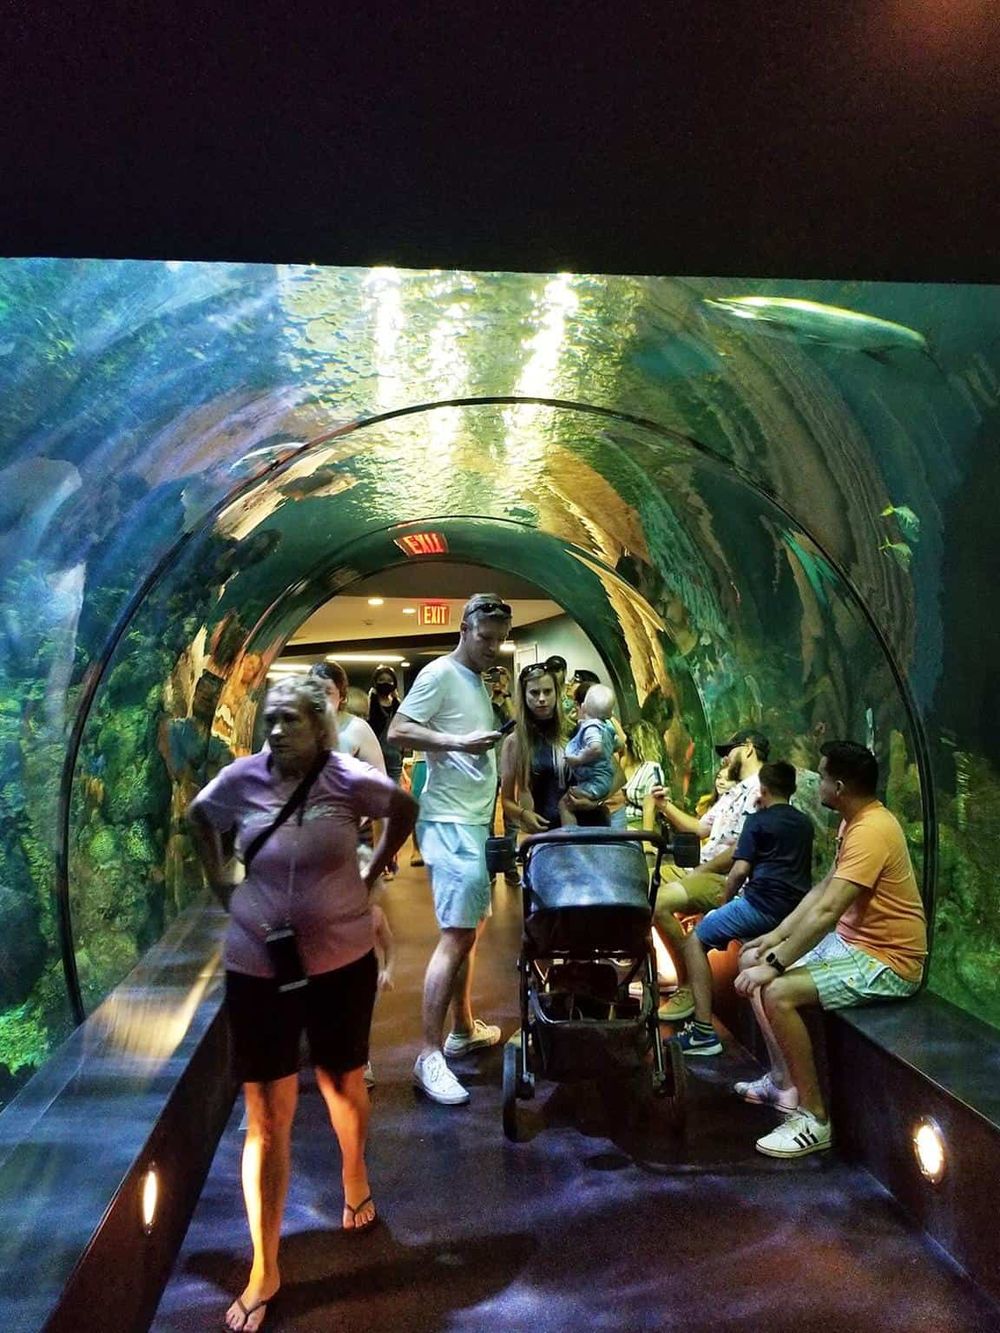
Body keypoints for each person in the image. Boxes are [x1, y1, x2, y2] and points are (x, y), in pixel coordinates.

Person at [187, 677, 417, 1332]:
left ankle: (353, 1172)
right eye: (271, 719)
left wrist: (371, 875)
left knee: (342, 1081)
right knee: (266, 1110)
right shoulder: (242, 778)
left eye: (290, 719)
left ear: (321, 725)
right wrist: (223, 882)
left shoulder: (347, 778)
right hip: (257, 963)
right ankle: (265, 1265)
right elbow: (200, 817)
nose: (277, 730)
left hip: (340, 961)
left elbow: (403, 807)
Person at [733, 741, 927, 1159]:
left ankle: (814, 1118)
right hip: (852, 941)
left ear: (838, 786)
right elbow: (824, 889)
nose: (816, 782)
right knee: (750, 958)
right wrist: (776, 937)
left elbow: (827, 909)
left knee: (777, 991)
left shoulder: (873, 830)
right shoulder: (852, 820)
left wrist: (778, 963)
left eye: (820, 776)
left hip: (888, 958)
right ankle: (782, 1081)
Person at [387, 592, 512, 1106]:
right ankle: (428, 1055)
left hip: (472, 822)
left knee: (470, 931)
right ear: (463, 628)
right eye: (485, 639)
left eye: (500, 641)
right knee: (456, 935)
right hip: (450, 823)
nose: (492, 648)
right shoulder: (440, 673)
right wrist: (459, 745)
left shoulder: (478, 682)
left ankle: (461, 1029)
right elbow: (397, 731)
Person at [674, 761, 814, 1057]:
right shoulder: (804, 823)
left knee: (695, 940)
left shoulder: (757, 821)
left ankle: (702, 1031)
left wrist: (722, 906)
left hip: (759, 906)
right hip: (794, 911)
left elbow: (738, 871)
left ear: (762, 789)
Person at [652, 728, 769, 1021]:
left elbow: (743, 849)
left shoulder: (760, 790)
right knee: (639, 882)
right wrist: (664, 806)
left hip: (726, 878)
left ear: (750, 749)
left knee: (658, 902)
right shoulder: (737, 791)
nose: (725, 758)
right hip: (702, 869)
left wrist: (699, 872)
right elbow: (701, 828)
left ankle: (688, 984)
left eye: (730, 750)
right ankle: (658, 969)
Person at [500, 662, 573, 833]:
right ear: (524, 696)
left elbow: (617, 778)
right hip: (540, 832)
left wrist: (594, 799)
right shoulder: (514, 742)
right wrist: (524, 814)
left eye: (547, 692)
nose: (541, 699)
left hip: (579, 828)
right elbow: (507, 800)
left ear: (557, 693)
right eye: (534, 692)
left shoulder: (575, 732)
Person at [559, 683, 617, 825]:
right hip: (599, 784)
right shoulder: (606, 727)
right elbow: (617, 743)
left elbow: (596, 748)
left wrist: (578, 759)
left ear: (582, 706)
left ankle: (571, 838)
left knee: (564, 804)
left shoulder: (591, 728)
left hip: (593, 787)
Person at [621, 721, 668, 834]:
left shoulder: (651, 769)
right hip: (618, 824)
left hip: (638, 825)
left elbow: (650, 807)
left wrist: (647, 840)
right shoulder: (619, 766)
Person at [368, 666, 403, 784]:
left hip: (394, 756)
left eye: (389, 681)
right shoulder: (370, 703)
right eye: (381, 680)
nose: (386, 683)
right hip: (374, 754)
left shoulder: (397, 704)